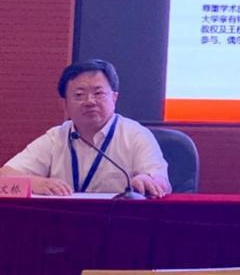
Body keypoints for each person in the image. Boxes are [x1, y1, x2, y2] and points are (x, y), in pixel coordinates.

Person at [0, 59, 171, 198]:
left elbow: (160, 179)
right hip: (66, 222)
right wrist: (38, 183)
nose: (90, 101)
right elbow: (4, 177)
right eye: (79, 95)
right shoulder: (55, 138)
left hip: (121, 222)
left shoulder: (135, 135)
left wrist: (147, 180)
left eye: (98, 93)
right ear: (64, 104)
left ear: (114, 98)